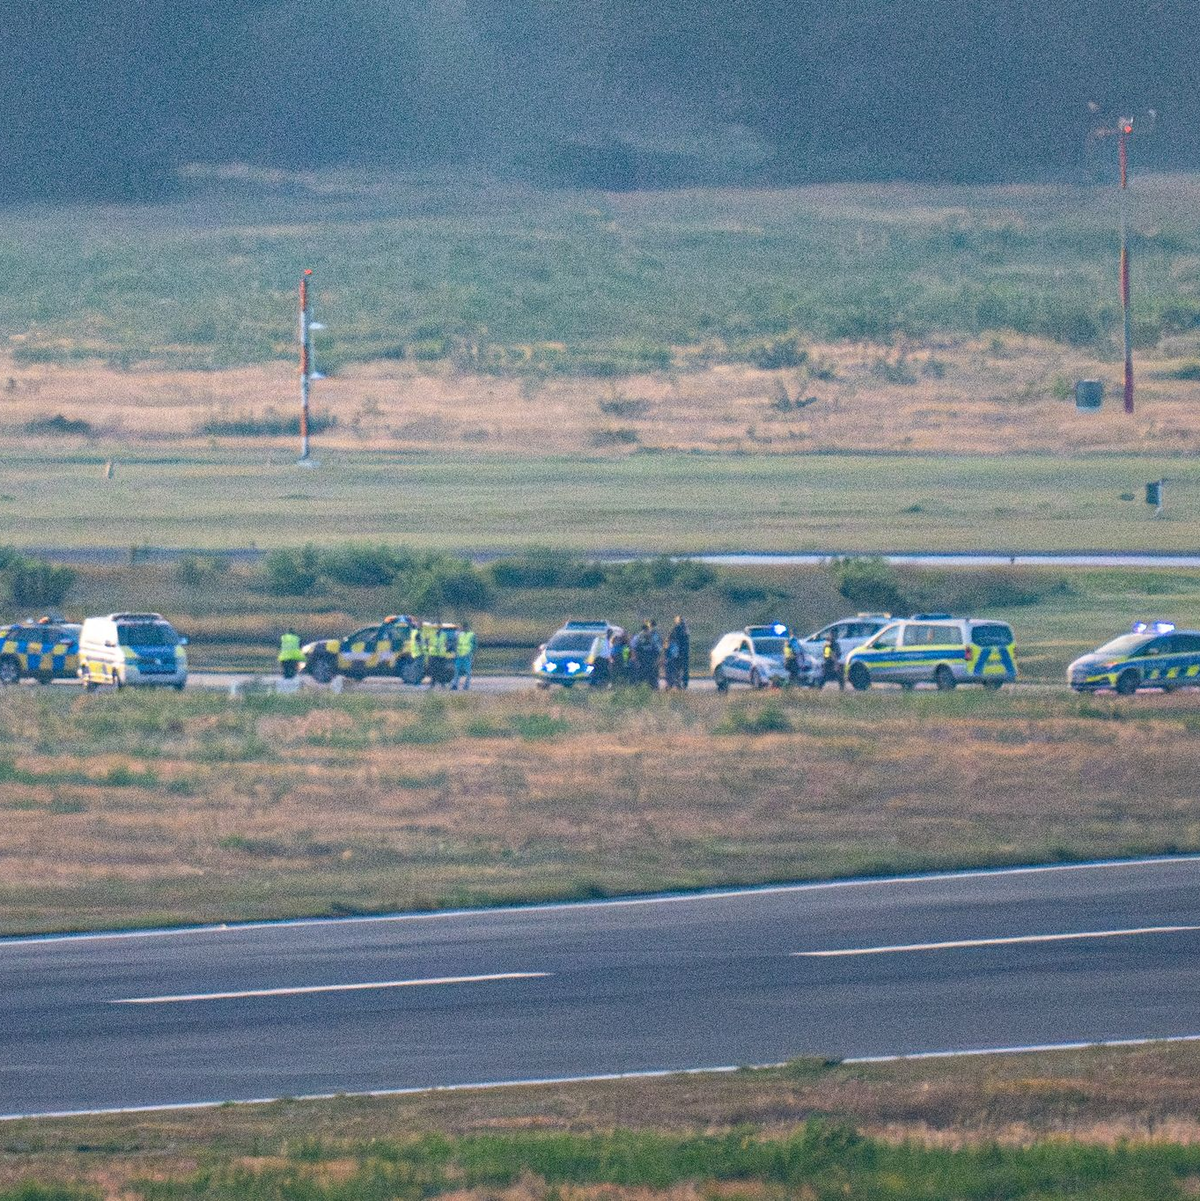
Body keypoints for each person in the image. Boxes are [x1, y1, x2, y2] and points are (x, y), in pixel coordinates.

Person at [665, 616, 689, 689]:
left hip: (678, 653)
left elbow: (670, 638)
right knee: (684, 669)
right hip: (685, 653)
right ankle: (683, 684)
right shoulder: (686, 630)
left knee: (675, 669)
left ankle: (675, 684)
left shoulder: (677, 628)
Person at [451, 621, 475, 690]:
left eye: (465, 627)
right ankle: (455, 685)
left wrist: (473, 655)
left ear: (467, 627)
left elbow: (474, 646)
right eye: (463, 627)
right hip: (459, 656)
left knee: (468, 672)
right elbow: (456, 643)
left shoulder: (471, 635)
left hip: (467, 656)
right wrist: (456, 652)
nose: (464, 628)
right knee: (457, 671)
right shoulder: (460, 634)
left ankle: (466, 685)